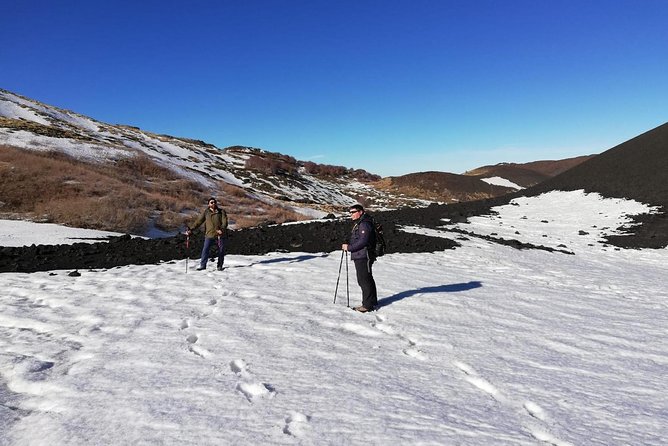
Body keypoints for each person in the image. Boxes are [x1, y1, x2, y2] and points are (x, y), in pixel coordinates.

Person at [342, 204, 378, 312]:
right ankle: (372, 301)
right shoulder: (362, 222)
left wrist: (349, 247)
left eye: (353, 212)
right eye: (350, 212)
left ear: (360, 212)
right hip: (361, 255)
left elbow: (363, 241)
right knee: (367, 278)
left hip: (363, 255)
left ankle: (367, 306)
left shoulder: (364, 224)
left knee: (363, 280)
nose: (351, 215)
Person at [186, 197, 228, 271]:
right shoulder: (206, 212)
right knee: (205, 250)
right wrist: (191, 229)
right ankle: (203, 265)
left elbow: (225, 222)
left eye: (214, 202)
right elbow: (199, 222)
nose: (213, 203)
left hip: (220, 235)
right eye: (211, 202)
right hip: (209, 235)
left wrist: (222, 229)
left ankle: (220, 266)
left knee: (221, 251)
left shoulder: (221, 212)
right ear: (208, 204)